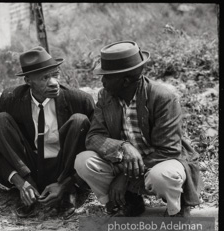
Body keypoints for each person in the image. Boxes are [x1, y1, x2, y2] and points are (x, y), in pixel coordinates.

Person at [75, 40, 202, 217]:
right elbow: (94, 136)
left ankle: (177, 208)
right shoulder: (106, 96)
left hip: (159, 162)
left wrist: (125, 178)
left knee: (163, 176)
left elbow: (169, 150)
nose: (102, 81)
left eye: (107, 76)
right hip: (125, 162)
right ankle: (127, 202)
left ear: (125, 81)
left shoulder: (163, 98)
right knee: (84, 161)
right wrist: (124, 147)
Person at [0, 46, 95, 219]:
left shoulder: (80, 100)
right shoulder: (11, 99)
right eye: (45, 78)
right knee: (0, 120)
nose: (53, 82)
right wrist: (20, 182)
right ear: (28, 80)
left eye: (55, 75)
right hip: (30, 168)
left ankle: (68, 192)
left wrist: (66, 183)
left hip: (64, 166)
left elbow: (94, 147)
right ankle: (28, 190)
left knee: (79, 121)